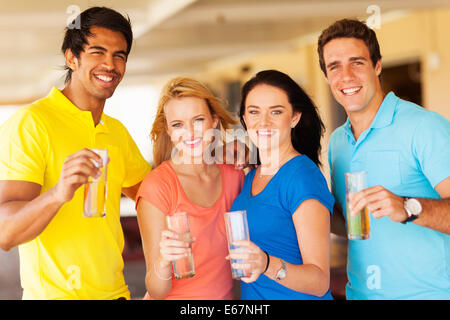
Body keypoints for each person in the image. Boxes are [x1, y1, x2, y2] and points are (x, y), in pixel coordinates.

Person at [0, 7, 151, 299]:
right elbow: (6, 232)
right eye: (98, 52)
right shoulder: (32, 123)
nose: (110, 64)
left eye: (119, 55)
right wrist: (58, 192)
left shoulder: (115, 132)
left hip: (117, 293)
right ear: (71, 57)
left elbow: (153, 194)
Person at [318, 19, 450, 299]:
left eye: (357, 62)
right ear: (327, 77)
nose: (346, 76)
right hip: (361, 294)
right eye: (335, 66)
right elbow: (353, 224)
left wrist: (407, 206)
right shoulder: (338, 142)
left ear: (377, 65)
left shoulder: (424, 127)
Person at [228, 70, 335, 300]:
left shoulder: (302, 177)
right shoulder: (251, 176)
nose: (263, 122)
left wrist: (265, 263)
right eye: (254, 112)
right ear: (245, 119)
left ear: (295, 117)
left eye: (276, 112)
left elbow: (319, 281)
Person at [135, 77, 245, 300]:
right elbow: (156, 289)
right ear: (167, 129)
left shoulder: (234, 175)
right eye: (178, 124)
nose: (190, 133)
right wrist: (164, 261)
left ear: (214, 121)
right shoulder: (158, 186)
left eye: (198, 120)